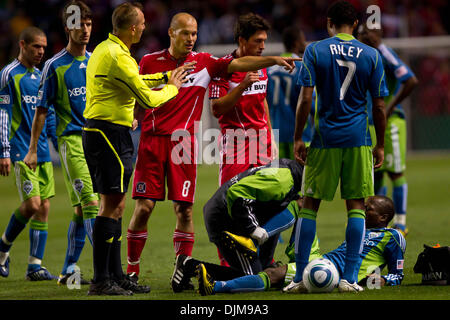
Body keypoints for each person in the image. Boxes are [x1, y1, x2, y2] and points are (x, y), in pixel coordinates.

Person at [126, 11, 300, 284]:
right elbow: (137, 92)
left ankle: (183, 269)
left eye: (195, 34)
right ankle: (132, 270)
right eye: (186, 33)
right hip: (157, 142)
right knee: (145, 207)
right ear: (171, 33)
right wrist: (133, 115)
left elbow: (246, 74)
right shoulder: (149, 62)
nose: (192, 39)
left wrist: (276, 60)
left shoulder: (205, 62)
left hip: (187, 143)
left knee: (185, 211)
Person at [82, 2, 190, 296]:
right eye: (142, 23)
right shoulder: (119, 57)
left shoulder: (106, 49)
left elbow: (136, 81)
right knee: (110, 206)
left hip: (102, 131)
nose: (145, 27)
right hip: (109, 135)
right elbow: (149, 100)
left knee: (116, 206)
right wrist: (174, 87)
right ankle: (101, 280)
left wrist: (164, 77)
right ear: (132, 28)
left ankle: (116, 276)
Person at [290, 0, 388, 293]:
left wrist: (298, 137)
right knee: (356, 206)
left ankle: (298, 279)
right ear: (356, 24)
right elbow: (379, 106)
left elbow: (305, 99)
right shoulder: (371, 54)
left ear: (329, 23)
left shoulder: (315, 50)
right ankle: (349, 279)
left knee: (309, 206)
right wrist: (380, 144)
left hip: (324, 139)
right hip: (358, 139)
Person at [189, 195, 406, 295]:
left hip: (331, 272)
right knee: (301, 206)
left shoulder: (394, 236)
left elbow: (397, 276)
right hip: (323, 257)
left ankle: (216, 286)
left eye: (368, 209)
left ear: (383, 217)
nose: (363, 209)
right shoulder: (361, 229)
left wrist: (371, 281)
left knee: (273, 274)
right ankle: (256, 239)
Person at [24, 0, 96, 286]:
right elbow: (41, 111)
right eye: (79, 24)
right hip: (72, 142)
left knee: (80, 209)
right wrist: (32, 149)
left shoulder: (95, 61)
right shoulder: (54, 66)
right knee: (92, 204)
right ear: (68, 28)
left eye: (89, 24)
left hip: (97, 141)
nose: (85, 30)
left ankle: (68, 271)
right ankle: (108, 272)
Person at [171, 158, 303, 292]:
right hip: (224, 218)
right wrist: (252, 228)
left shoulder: (290, 175)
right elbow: (237, 194)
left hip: (233, 214)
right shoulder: (283, 181)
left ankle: (263, 263)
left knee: (264, 273)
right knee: (253, 279)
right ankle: (189, 265)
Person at [0, 27, 58, 281]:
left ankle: (35, 265)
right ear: (22, 45)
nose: (41, 52)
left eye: (44, 48)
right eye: (36, 47)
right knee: (33, 204)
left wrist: (57, 139)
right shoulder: (8, 75)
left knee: (44, 207)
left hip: (42, 149)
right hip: (21, 149)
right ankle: (3, 247)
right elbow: (2, 113)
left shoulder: (41, 76)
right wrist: (4, 151)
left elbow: (50, 111)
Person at [358, 24, 418, 236]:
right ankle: (379, 224)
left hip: (390, 122)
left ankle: (400, 223)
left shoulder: (385, 53)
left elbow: (411, 80)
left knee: (395, 172)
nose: (363, 37)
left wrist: (390, 107)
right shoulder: (364, 56)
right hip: (370, 121)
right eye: (361, 33)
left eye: (367, 33)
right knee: (377, 173)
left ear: (378, 35)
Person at [208, 13, 278, 187]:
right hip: (235, 143)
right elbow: (216, 109)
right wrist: (242, 86)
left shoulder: (261, 66)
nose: (262, 46)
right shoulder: (223, 68)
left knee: (269, 202)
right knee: (230, 200)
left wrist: (271, 137)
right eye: (257, 41)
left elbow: (262, 101)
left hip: (263, 142)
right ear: (242, 40)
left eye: (264, 41)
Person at [266, 26, 314, 159]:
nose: (305, 44)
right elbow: (309, 101)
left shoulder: (269, 69)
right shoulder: (301, 68)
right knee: (301, 177)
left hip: (275, 133)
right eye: (303, 41)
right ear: (296, 43)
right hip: (299, 134)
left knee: (278, 176)